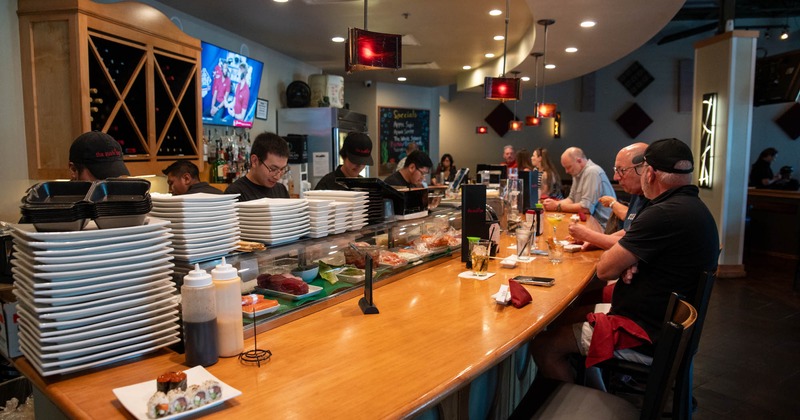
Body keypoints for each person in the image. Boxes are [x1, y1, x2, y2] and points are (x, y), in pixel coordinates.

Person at [532, 138, 720, 383]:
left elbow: (604, 269)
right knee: (566, 317)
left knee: (544, 345)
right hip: (659, 320)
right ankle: (592, 384)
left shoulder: (662, 213)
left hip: (642, 333)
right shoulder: (690, 207)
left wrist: (625, 257)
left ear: (650, 173)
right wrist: (631, 259)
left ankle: (589, 402)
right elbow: (636, 250)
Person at [568, 142, 648, 250]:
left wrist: (588, 236)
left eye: (622, 170)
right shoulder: (637, 193)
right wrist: (594, 240)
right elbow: (628, 232)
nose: (615, 177)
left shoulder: (657, 201)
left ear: (645, 169)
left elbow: (632, 242)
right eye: (616, 170)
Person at [543, 147, 615, 229]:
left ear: (579, 161)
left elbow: (586, 208)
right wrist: (552, 204)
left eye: (568, 167)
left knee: (557, 231)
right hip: (586, 221)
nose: (566, 171)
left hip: (602, 227)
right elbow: (571, 199)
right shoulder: (577, 174)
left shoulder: (592, 172)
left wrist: (556, 206)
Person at [224, 132, 290, 200]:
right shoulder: (235, 194)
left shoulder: (281, 190)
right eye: (273, 169)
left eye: (282, 169)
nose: (277, 177)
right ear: (255, 161)